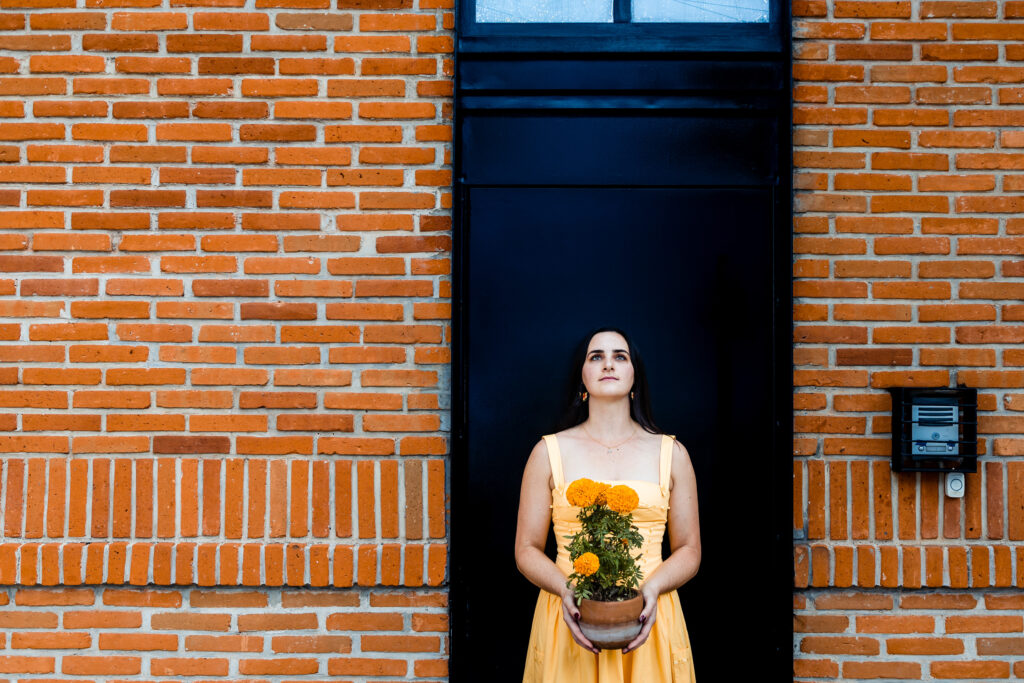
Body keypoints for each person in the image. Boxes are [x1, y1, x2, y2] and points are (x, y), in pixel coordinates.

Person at [515, 327, 700, 682]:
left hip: (650, 618)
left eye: (620, 356)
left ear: (635, 376)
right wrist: (566, 591)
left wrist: (652, 589)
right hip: (571, 619)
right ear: (582, 377)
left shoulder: (672, 454)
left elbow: (690, 549)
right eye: (595, 356)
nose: (607, 364)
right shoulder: (547, 452)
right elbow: (526, 549)